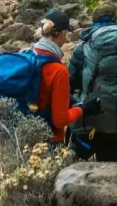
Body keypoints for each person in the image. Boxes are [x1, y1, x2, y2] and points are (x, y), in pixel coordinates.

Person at [67, 11, 117, 163]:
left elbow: (69, 82)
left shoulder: (83, 48)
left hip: (89, 122)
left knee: (72, 165)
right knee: (112, 167)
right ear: (116, 21)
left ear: (94, 22)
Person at [34, 14, 94, 144]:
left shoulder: (29, 55)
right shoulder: (59, 70)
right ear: (61, 34)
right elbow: (60, 120)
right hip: (49, 139)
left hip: (22, 137)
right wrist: (83, 109)